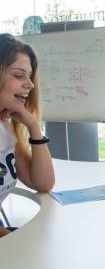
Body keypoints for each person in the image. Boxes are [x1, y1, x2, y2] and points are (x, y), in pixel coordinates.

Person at [0, 33, 55, 237]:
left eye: (29, 76)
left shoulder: (5, 126)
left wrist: (33, 126)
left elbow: (42, 183)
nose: (30, 85)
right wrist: (15, 242)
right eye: (18, 75)